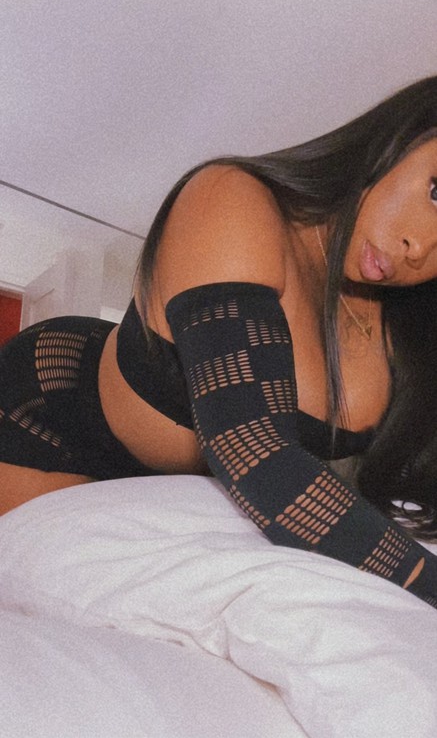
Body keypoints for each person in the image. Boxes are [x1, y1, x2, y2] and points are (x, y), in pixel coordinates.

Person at [2, 75, 437, 608]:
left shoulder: (403, 325)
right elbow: (259, 453)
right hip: (55, 420)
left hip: (184, 492)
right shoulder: (233, 200)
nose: (420, 247)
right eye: (436, 192)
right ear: (405, 135)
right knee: (32, 603)